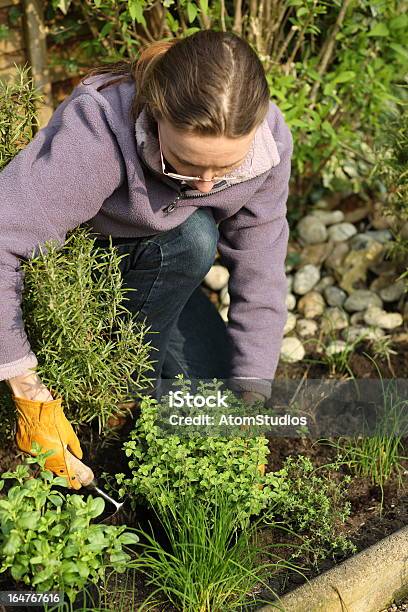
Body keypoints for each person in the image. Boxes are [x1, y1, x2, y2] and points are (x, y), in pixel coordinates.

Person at [0, 30, 293, 489]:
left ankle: (138, 375)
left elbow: (262, 265)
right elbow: (2, 240)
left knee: (214, 405)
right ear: (156, 115)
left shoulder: (269, 145)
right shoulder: (99, 129)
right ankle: (113, 385)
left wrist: (252, 397)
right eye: (186, 163)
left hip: (156, 265)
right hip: (75, 272)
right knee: (195, 236)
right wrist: (28, 392)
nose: (205, 185)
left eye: (226, 169)